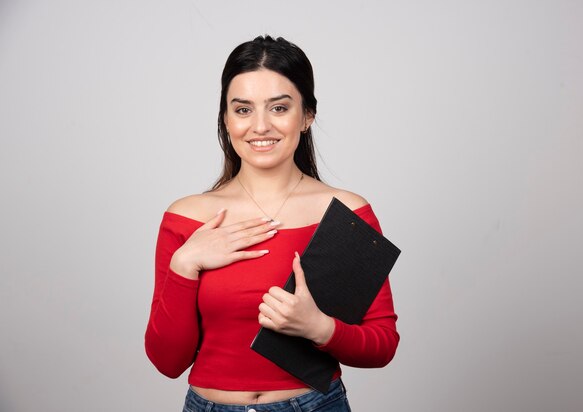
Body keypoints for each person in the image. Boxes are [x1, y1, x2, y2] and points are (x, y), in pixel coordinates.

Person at [145, 35, 399, 412]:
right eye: (243, 110)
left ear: (307, 116)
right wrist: (185, 264)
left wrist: (317, 327)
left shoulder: (345, 213)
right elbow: (168, 362)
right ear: (226, 119)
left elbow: (382, 345)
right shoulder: (187, 218)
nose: (260, 126)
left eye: (279, 108)